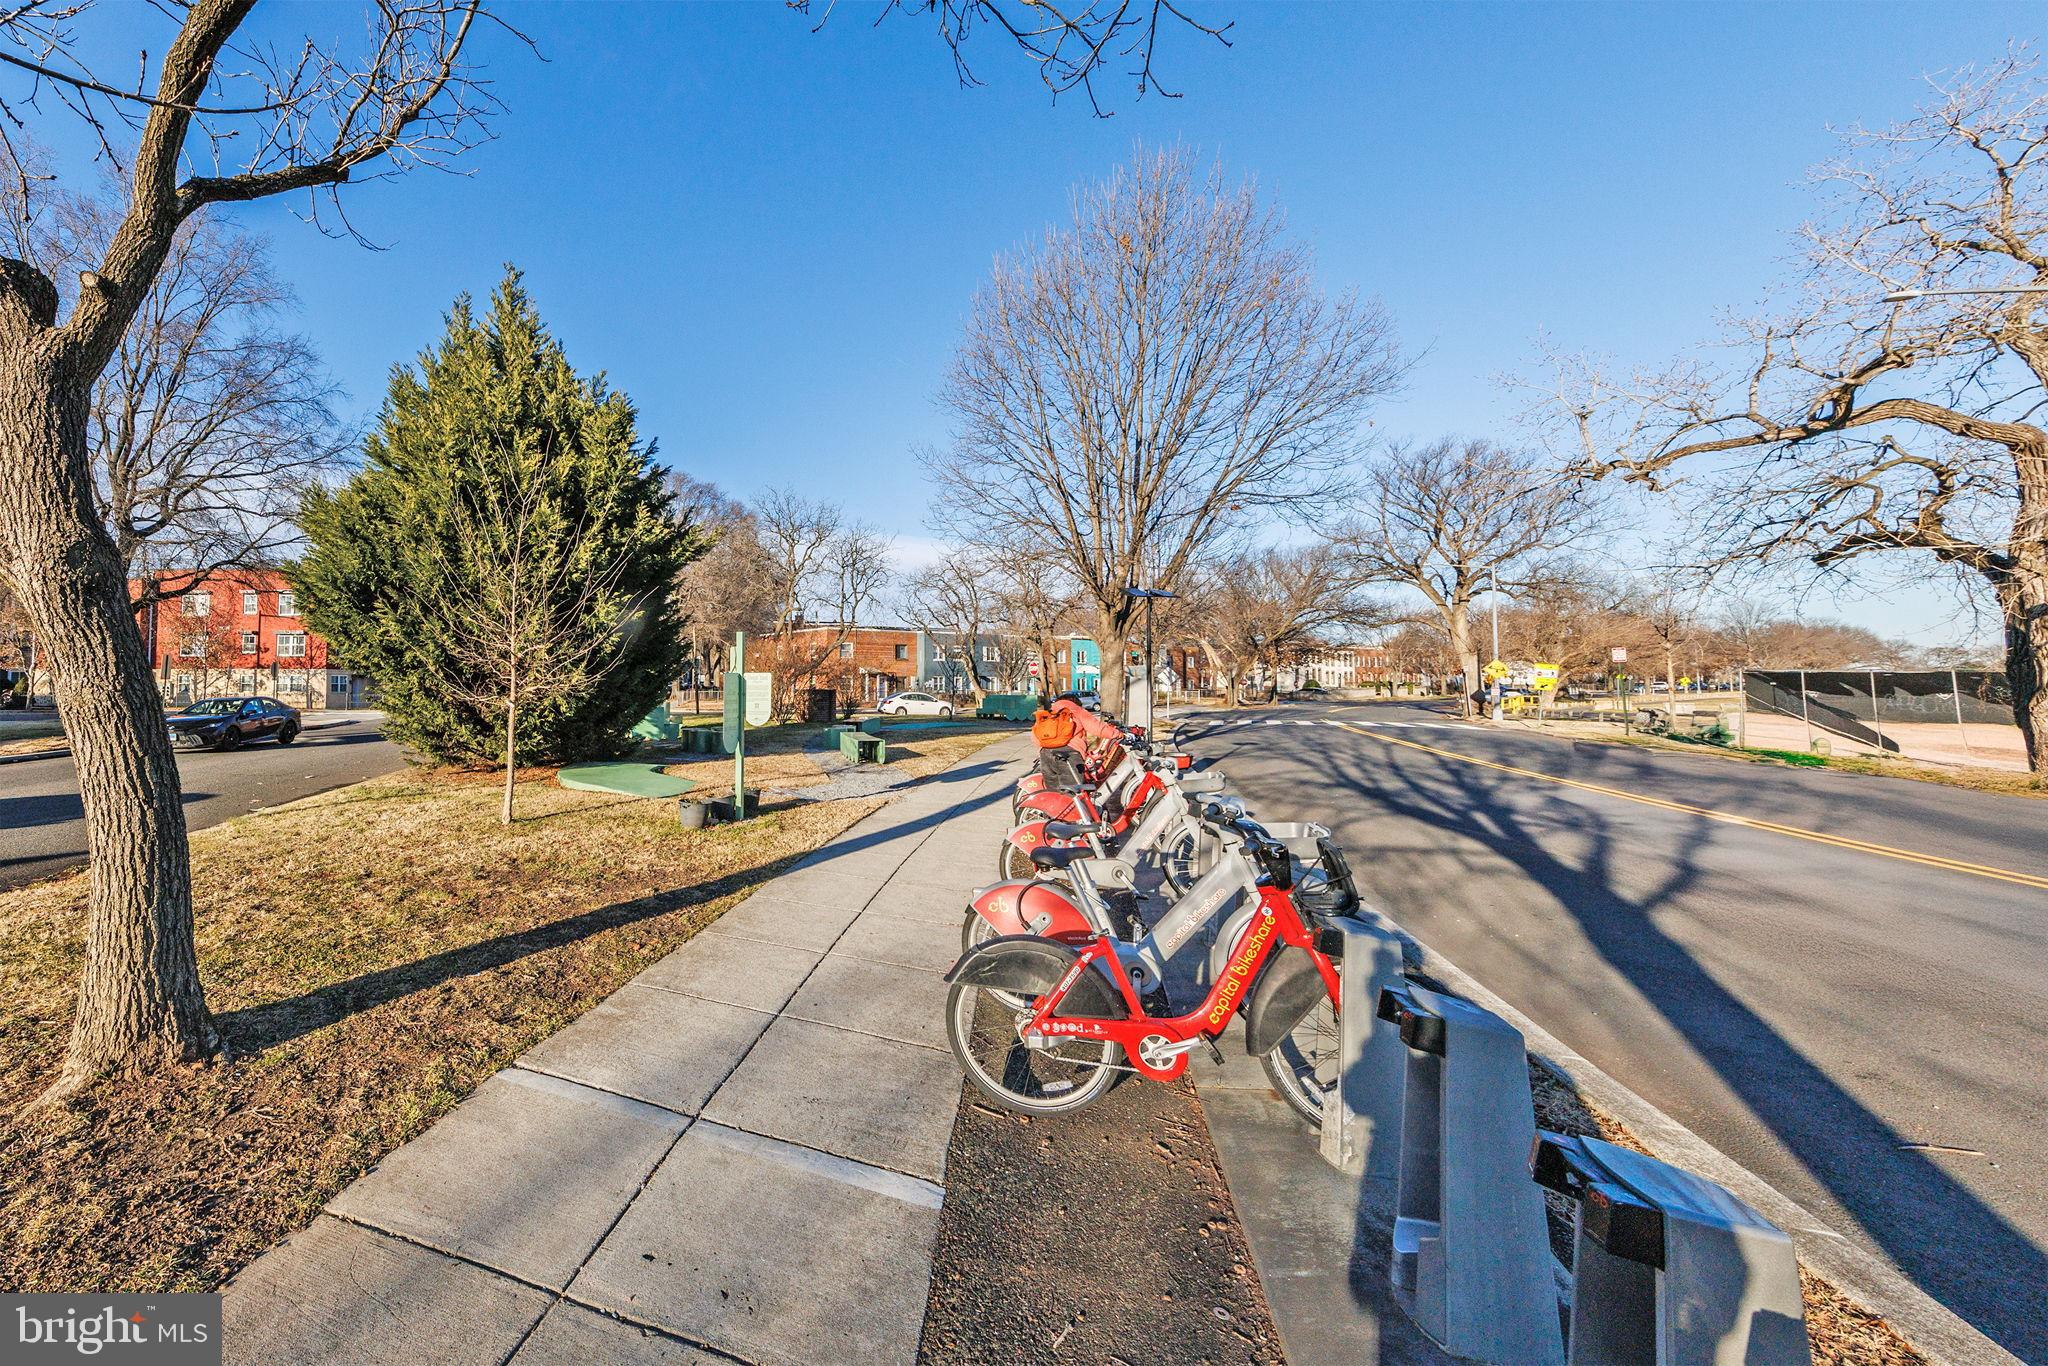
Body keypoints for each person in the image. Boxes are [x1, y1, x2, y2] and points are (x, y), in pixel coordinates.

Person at [1031, 703, 1085, 787]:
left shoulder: (1046, 717)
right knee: (1071, 791)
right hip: (1068, 754)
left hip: (1045, 753)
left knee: (1053, 792)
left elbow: (1035, 738)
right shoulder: (1075, 714)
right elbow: (1097, 728)